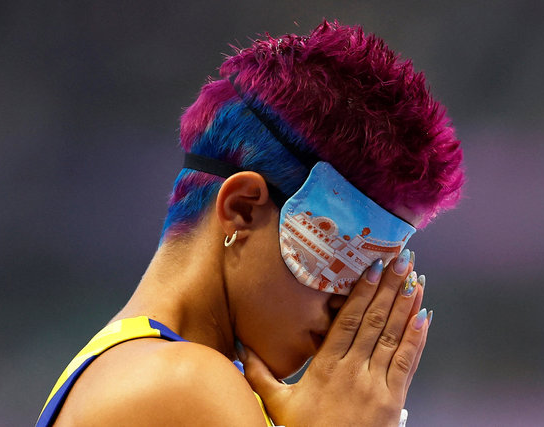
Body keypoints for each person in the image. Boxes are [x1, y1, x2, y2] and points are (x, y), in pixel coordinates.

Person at [36, 20, 463, 426]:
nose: (351, 307)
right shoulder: (179, 386)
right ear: (242, 208)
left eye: (379, 270)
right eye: (347, 258)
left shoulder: (130, 370)